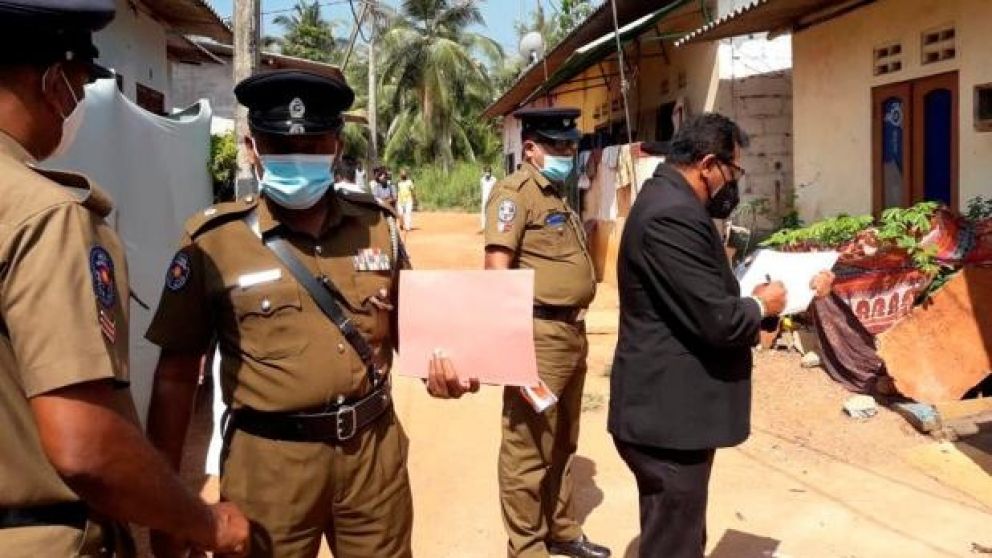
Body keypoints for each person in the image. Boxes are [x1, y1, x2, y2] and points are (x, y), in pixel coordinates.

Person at [145, 69, 478, 558]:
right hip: (269, 468)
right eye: (278, 145)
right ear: (252, 147)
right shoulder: (213, 243)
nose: (296, 158)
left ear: (338, 148)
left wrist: (444, 368)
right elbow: (175, 376)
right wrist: (167, 503)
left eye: (315, 143)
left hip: (372, 459)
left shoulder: (378, 228)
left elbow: (417, 331)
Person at [0, 2, 250, 557]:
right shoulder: (45, 216)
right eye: (79, 85)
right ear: (54, 82)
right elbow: (84, 443)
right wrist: (204, 524)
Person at [608, 113, 833, 558]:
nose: (735, 184)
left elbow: (698, 300)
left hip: (673, 415)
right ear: (708, 164)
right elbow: (717, 319)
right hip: (666, 418)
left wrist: (789, 298)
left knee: (680, 533)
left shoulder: (672, 204)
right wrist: (759, 305)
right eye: (734, 171)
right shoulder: (670, 215)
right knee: (674, 543)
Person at [485, 107, 609, 558]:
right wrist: (511, 352)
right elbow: (496, 274)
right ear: (531, 148)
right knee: (527, 449)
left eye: (570, 146)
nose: (567, 154)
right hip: (536, 335)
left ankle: (561, 529)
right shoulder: (514, 194)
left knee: (563, 441)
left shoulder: (556, 195)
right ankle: (527, 546)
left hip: (571, 333)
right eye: (557, 147)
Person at [479, 165, 497, 231]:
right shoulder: (482, 180)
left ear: (491, 172)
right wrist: (481, 198)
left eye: (489, 172)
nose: (487, 173)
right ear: (484, 172)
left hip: (492, 198)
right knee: (484, 212)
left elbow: (496, 189)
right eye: (486, 172)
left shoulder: (494, 179)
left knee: (492, 212)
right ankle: (483, 227)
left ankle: (491, 227)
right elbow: (481, 189)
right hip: (484, 198)